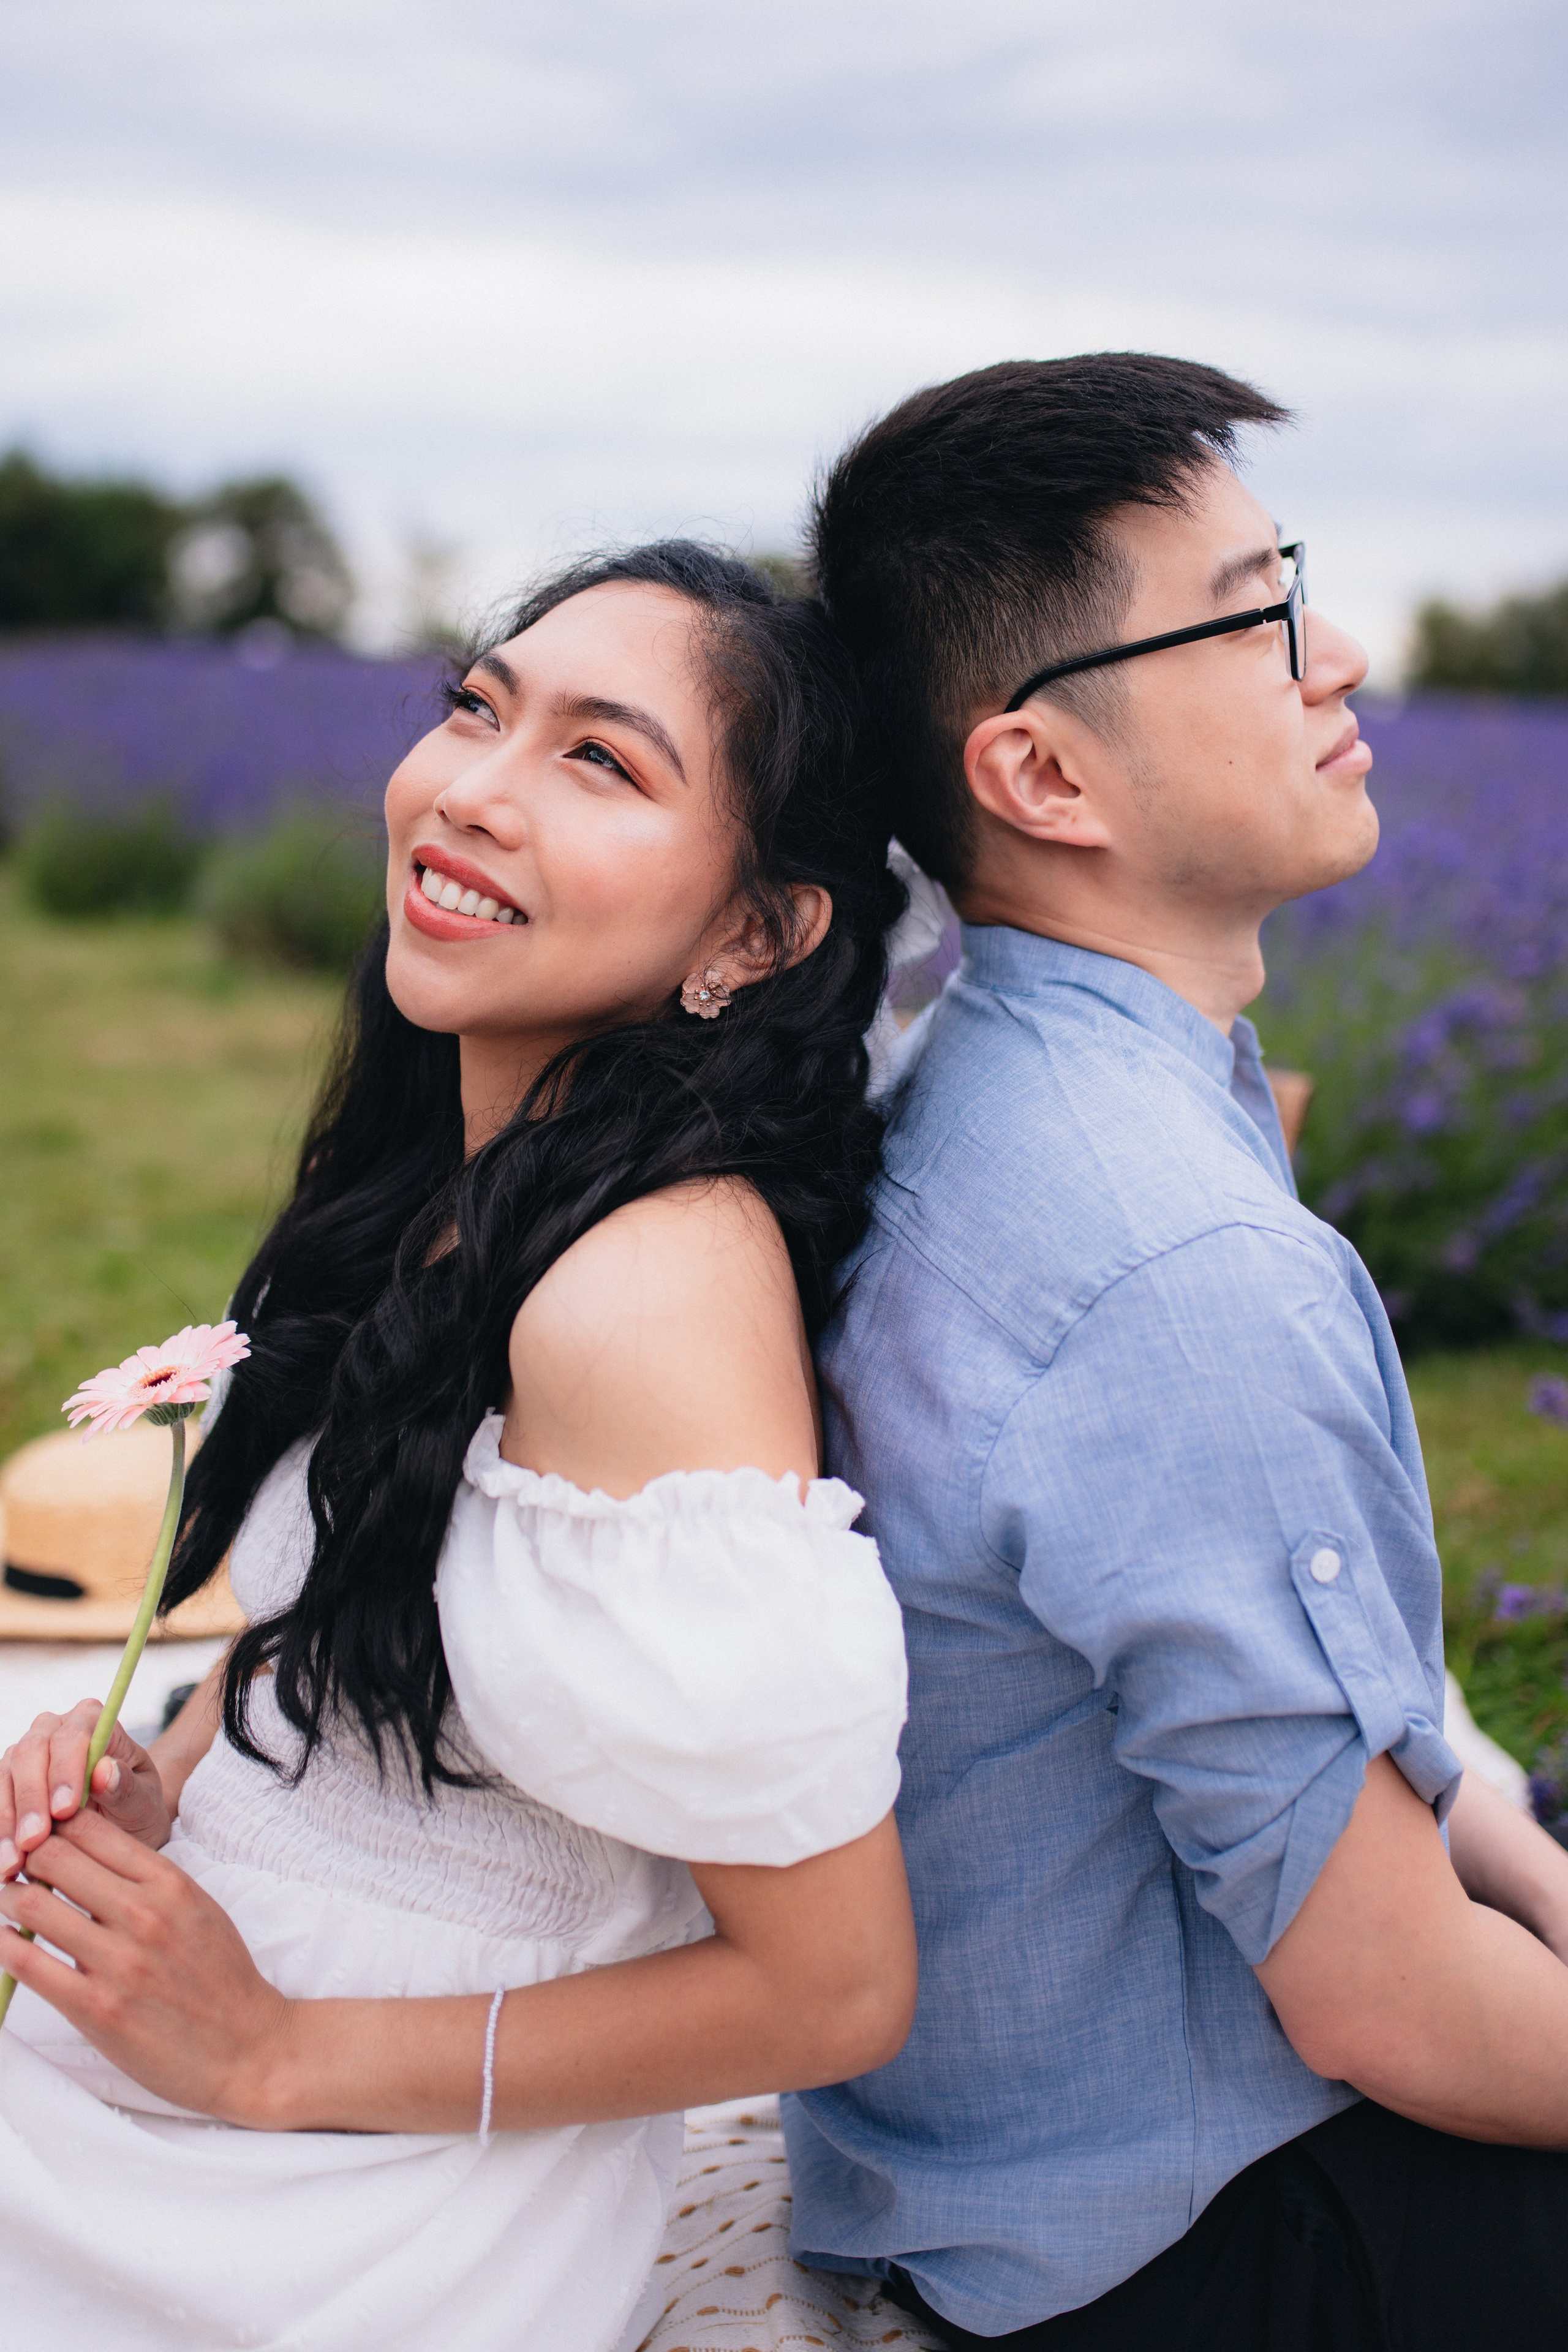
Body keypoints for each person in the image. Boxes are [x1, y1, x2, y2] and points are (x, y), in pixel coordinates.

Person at [0, 543, 916, 2352]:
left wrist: (271, 2053)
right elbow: (350, 1627)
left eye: (603, 760)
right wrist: (150, 1786)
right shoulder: (465, 1168)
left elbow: (838, 1988)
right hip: (193, 2026)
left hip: (341, 2189)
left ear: (758, 931)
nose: (471, 790)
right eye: (481, 708)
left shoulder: (643, 1295)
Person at [784, 357, 1568, 2349]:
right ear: (1040, 775)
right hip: (1196, 2235)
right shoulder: (1175, 1266)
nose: (1346, 656)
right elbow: (1396, 2012)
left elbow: (1353, 1740)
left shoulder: (975, 1070)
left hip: (990, 2136)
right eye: (1257, 611)